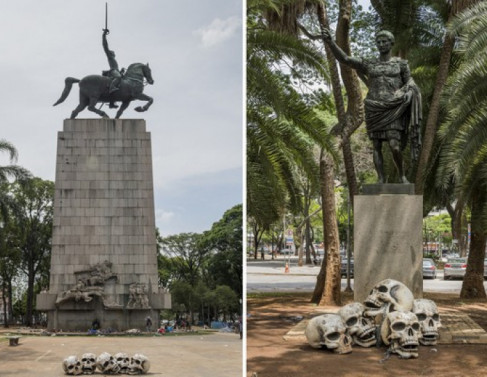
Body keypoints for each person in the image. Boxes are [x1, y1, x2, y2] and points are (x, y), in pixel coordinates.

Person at [321, 29, 422, 184]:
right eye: (379, 42)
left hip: (393, 108)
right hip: (374, 107)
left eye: (384, 41)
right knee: (376, 146)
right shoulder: (369, 63)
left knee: (395, 145)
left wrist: (409, 92)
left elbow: (410, 82)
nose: (381, 44)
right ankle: (381, 179)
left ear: (391, 43)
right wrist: (330, 42)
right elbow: (345, 59)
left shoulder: (401, 64)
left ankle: (402, 176)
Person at [102, 29, 123, 108]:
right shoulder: (110, 57)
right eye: (112, 52)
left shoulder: (114, 59)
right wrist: (104, 35)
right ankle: (112, 88)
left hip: (116, 70)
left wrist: (121, 71)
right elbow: (105, 46)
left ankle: (112, 102)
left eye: (113, 52)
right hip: (113, 71)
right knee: (118, 77)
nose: (114, 53)